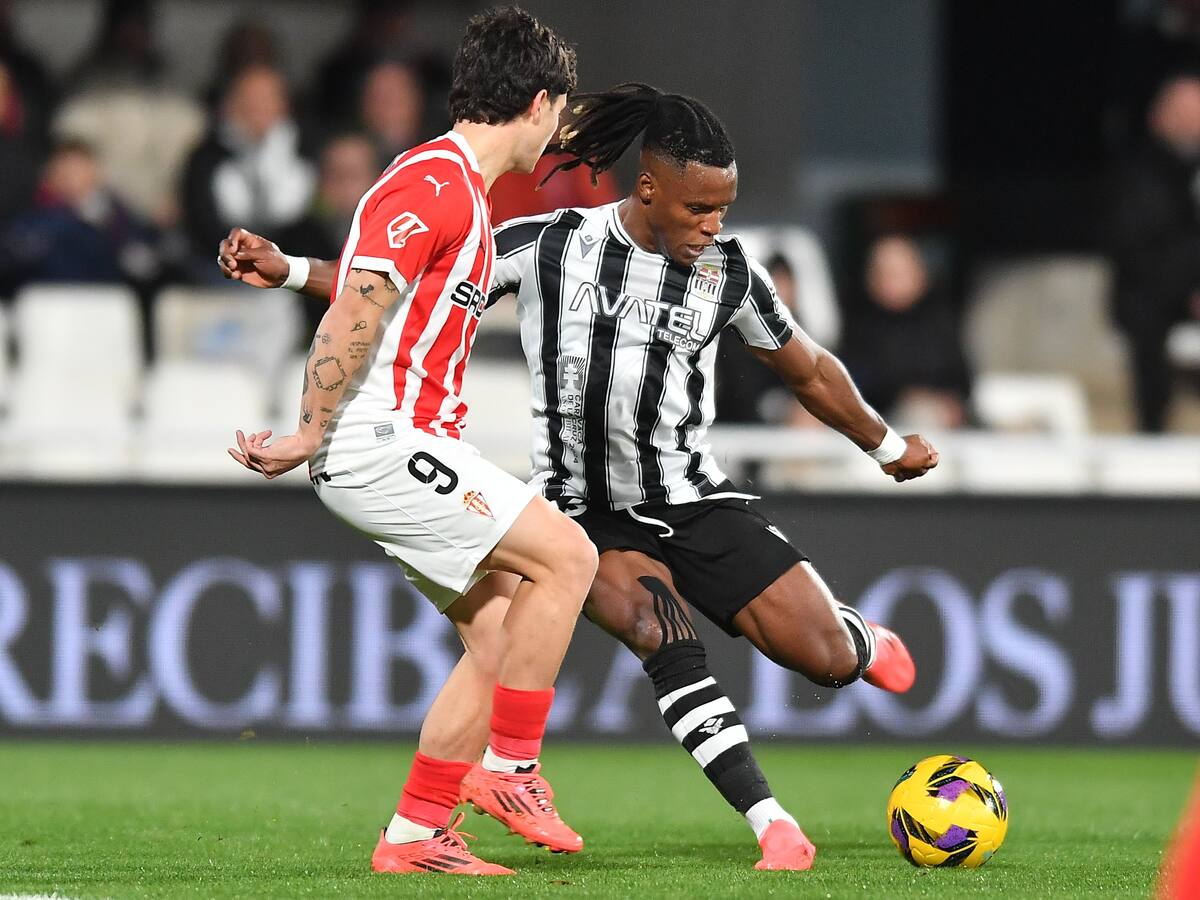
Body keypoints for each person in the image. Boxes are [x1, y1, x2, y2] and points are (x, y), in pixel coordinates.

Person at [220, 83, 938, 872]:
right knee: (661, 634)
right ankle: (772, 822)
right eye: (699, 208)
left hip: (692, 497)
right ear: (650, 189)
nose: (713, 225)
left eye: (723, 209)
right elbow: (402, 281)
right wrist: (290, 269)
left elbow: (809, 370)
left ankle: (858, 639)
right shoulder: (549, 243)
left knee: (824, 658)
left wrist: (885, 446)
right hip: (585, 511)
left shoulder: (730, 273)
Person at [225, 8, 596, 877]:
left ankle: (414, 834)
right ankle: (512, 771)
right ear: (537, 103)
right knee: (569, 557)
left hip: (398, 437)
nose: (559, 127)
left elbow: (376, 287)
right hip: (380, 438)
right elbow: (359, 310)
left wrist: (289, 269)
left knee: (502, 638)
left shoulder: (449, 187)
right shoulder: (436, 184)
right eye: (560, 108)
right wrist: (308, 430)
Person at [1110, 72, 1200, 432]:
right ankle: (1152, 429)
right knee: (1146, 327)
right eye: (1187, 114)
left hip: (1187, 291)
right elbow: (1139, 254)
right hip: (1152, 299)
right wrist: (1188, 294)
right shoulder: (1140, 176)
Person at [840, 235, 971, 429]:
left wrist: (949, 402)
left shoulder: (940, 323)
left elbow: (961, 382)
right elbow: (852, 383)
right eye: (883, 273)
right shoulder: (858, 325)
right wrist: (900, 394)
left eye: (898, 273)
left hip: (937, 421)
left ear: (920, 274)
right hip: (875, 421)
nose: (890, 281)